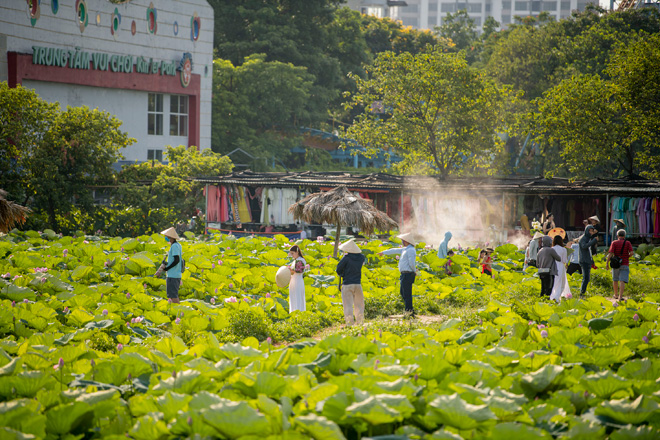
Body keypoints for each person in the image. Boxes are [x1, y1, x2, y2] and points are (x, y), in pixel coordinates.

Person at [379, 232, 417, 316]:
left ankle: (409, 311)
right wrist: (383, 252)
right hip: (404, 274)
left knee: (406, 293)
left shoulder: (411, 250)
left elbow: (411, 262)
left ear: (408, 241)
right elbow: (394, 250)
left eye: (404, 240)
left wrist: (414, 271)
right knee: (403, 292)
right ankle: (410, 310)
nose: (402, 242)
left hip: (408, 274)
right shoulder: (405, 249)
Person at [336, 239, 366, 326]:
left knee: (348, 305)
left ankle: (349, 324)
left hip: (347, 284)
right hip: (357, 283)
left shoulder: (346, 258)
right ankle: (360, 323)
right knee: (359, 304)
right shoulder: (361, 257)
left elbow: (338, 269)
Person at [155, 227, 183, 304]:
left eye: (167, 236)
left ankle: (178, 312)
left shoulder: (174, 246)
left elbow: (176, 260)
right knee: (171, 296)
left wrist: (167, 268)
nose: (166, 237)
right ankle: (175, 313)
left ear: (170, 237)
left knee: (173, 296)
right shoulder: (177, 245)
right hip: (173, 274)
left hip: (173, 275)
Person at [606, 229, 634, 301]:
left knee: (615, 280)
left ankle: (615, 295)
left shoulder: (614, 243)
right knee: (622, 281)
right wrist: (627, 256)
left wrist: (607, 263)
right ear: (624, 235)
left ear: (617, 235)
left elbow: (610, 254)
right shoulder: (627, 243)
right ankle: (620, 297)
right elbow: (631, 253)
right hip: (625, 263)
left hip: (616, 264)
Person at [578, 225, 599, 295]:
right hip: (584, 260)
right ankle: (582, 292)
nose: (591, 232)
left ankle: (583, 291)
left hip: (587, 260)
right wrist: (594, 241)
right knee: (585, 278)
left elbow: (589, 250)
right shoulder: (583, 238)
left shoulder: (588, 238)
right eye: (590, 231)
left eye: (592, 231)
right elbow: (584, 246)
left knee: (587, 278)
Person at [550, 235, 571, 302]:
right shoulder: (564, 249)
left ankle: (553, 296)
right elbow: (564, 260)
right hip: (561, 266)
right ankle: (557, 297)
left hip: (553, 266)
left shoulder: (552, 249)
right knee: (561, 282)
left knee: (554, 282)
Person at [287, 245, 306, 312]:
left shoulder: (301, 260)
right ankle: (293, 313)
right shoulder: (296, 260)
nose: (292, 255)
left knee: (297, 297)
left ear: (297, 252)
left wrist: (289, 270)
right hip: (294, 280)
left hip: (298, 281)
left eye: (293, 253)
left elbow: (298, 271)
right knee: (293, 297)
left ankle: (299, 313)